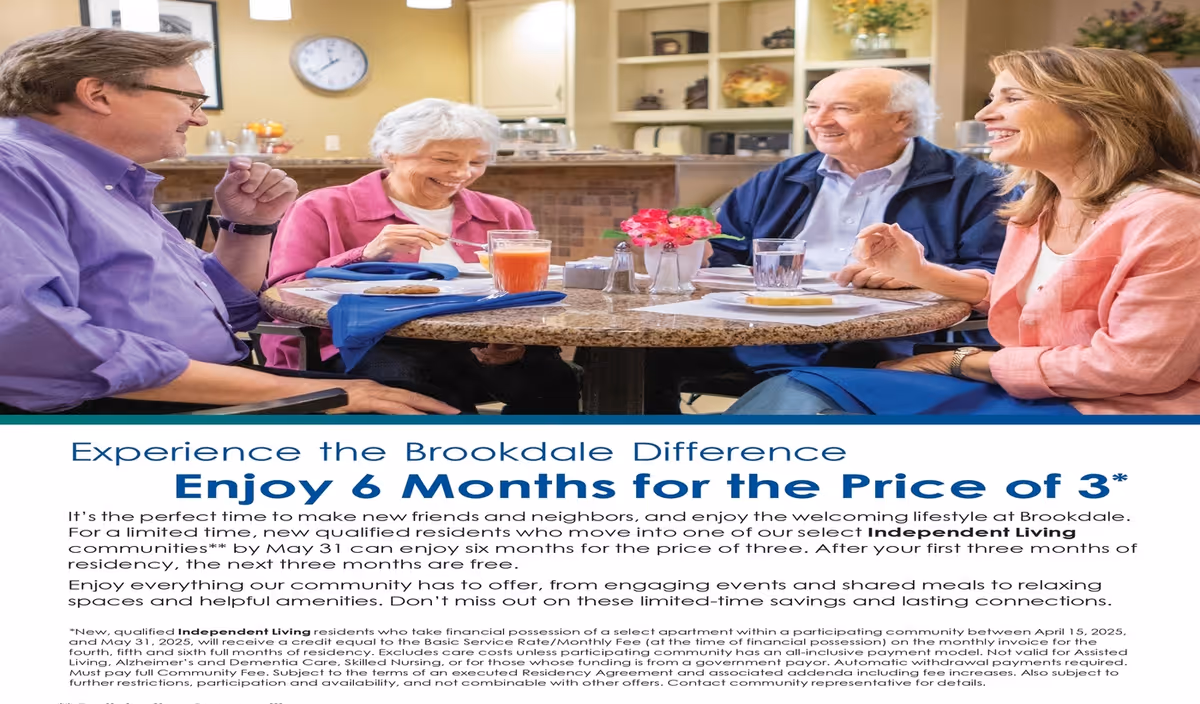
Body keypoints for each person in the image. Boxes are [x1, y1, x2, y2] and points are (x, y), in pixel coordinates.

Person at [0, 27, 455, 415]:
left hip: (201, 382)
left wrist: (250, 226)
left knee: (426, 390)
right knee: (421, 411)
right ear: (97, 94)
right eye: (190, 99)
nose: (198, 118)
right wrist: (310, 390)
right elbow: (32, 345)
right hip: (119, 405)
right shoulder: (14, 169)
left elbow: (230, 309)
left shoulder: (103, 179)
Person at [729, 47, 1200, 416]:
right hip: (1035, 391)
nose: (984, 115)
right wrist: (923, 272)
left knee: (802, 397)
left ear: (1097, 114)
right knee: (797, 392)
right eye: (992, 98)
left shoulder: (1172, 217)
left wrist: (959, 362)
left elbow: (1135, 368)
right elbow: (1050, 300)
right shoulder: (1041, 206)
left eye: (1012, 98)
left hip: (1113, 412)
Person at [645, 68, 1016, 412]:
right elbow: (726, 251)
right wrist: (697, 252)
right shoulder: (779, 178)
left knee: (813, 385)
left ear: (901, 119)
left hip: (891, 336)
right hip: (763, 330)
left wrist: (920, 274)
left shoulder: (976, 184)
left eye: (842, 109)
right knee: (638, 356)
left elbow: (1000, 276)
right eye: (812, 107)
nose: (819, 121)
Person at [262, 99, 579, 414]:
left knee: (555, 382)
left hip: (480, 343)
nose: (462, 173)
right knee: (410, 391)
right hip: (364, 343)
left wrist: (513, 340)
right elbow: (284, 292)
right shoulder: (323, 207)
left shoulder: (503, 214)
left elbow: (528, 291)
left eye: (477, 162)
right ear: (391, 155)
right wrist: (365, 254)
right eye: (444, 159)